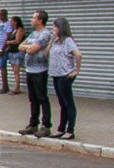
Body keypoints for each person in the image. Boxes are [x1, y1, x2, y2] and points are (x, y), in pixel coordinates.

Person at [17, 10, 53, 138]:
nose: (32, 20)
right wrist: (29, 47)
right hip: (30, 70)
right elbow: (20, 46)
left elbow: (32, 50)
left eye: (34, 18)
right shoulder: (33, 34)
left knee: (42, 98)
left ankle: (46, 125)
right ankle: (33, 124)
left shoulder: (45, 34)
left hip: (40, 70)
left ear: (40, 20)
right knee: (33, 99)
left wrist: (28, 47)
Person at [46, 17, 82, 141]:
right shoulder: (56, 41)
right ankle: (61, 128)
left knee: (68, 103)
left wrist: (76, 70)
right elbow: (47, 54)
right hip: (55, 74)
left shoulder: (68, 41)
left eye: (55, 27)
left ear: (60, 28)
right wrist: (51, 40)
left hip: (65, 75)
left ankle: (70, 130)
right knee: (62, 103)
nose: (53, 29)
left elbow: (78, 54)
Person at [5, 16, 26, 95]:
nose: (10, 23)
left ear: (16, 22)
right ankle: (16, 87)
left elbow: (18, 41)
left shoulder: (20, 30)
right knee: (14, 71)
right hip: (12, 52)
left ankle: (17, 88)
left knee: (16, 71)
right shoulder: (14, 30)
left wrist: (9, 42)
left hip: (17, 52)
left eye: (12, 21)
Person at [0, 9, 13, 94]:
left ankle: (4, 87)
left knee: (3, 67)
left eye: (2, 15)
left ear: (6, 15)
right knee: (0, 67)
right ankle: (5, 86)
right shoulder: (0, 24)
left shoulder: (8, 24)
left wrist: (3, 49)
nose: (0, 17)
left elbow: (8, 37)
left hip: (4, 49)